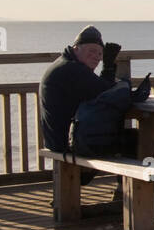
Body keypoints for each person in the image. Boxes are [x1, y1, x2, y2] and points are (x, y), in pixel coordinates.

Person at [40, 27, 139, 187]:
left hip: (56, 141)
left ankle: (77, 182)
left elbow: (99, 89)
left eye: (100, 54)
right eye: (92, 51)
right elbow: (105, 90)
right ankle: (129, 196)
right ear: (76, 48)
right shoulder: (73, 70)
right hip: (68, 144)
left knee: (119, 137)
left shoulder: (64, 64)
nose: (96, 57)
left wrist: (107, 68)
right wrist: (108, 67)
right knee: (134, 141)